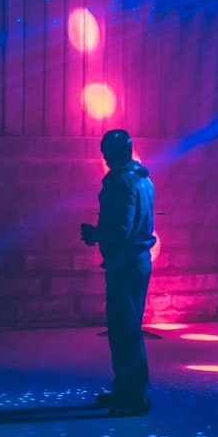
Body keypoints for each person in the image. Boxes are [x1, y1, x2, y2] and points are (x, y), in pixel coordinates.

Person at [80, 129, 157, 417]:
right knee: (125, 328)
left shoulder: (122, 182)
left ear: (116, 152)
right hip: (135, 261)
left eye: (106, 150)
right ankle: (125, 390)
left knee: (125, 331)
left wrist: (96, 233)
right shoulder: (143, 178)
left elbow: (121, 229)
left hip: (125, 263)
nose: (103, 156)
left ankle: (135, 398)